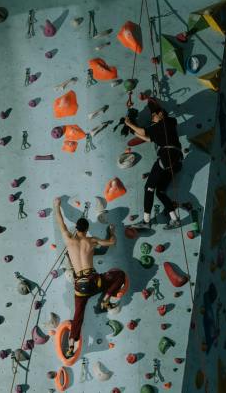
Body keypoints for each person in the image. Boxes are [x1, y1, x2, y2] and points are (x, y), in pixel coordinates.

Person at [53, 197, 125, 359]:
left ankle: (71, 346)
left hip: (80, 287)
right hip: (95, 281)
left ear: (76, 228)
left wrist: (56, 206)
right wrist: (112, 231)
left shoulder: (68, 238)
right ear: (87, 229)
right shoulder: (91, 241)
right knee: (119, 274)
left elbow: (61, 223)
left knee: (78, 316)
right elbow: (111, 242)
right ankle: (106, 299)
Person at [123, 98, 183, 229]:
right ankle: (175, 219)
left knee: (148, 188)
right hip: (175, 161)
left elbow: (144, 132)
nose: (152, 118)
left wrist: (129, 124)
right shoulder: (167, 126)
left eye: (153, 116)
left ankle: (146, 222)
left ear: (161, 114)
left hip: (166, 157)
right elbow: (147, 138)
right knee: (160, 191)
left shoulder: (165, 123)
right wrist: (131, 129)